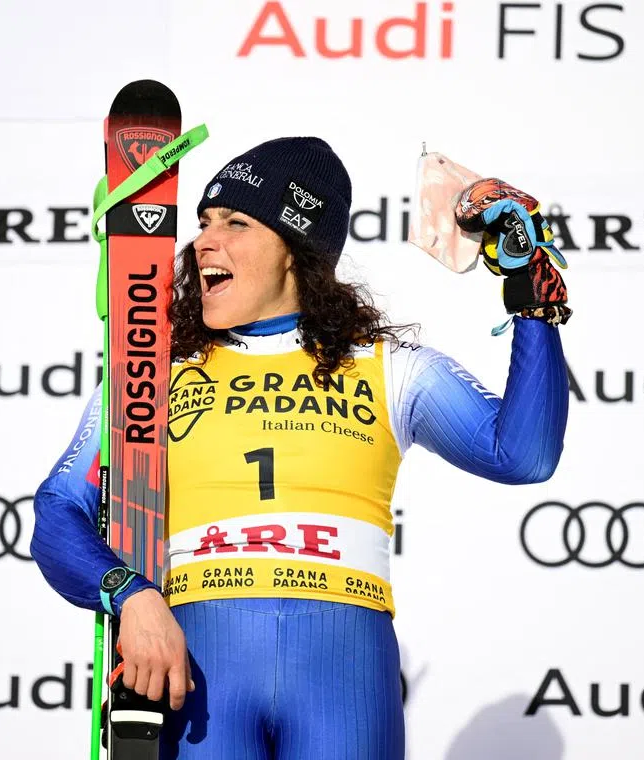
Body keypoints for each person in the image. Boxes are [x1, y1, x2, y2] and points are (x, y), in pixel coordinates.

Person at [31, 136, 571, 760]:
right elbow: (57, 511)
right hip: (202, 679)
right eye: (204, 222)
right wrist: (132, 596)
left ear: (295, 247)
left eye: (235, 222)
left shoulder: (391, 368)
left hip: (343, 679)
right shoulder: (152, 376)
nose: (203, 241)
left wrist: (533, 297)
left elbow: (523, 454)